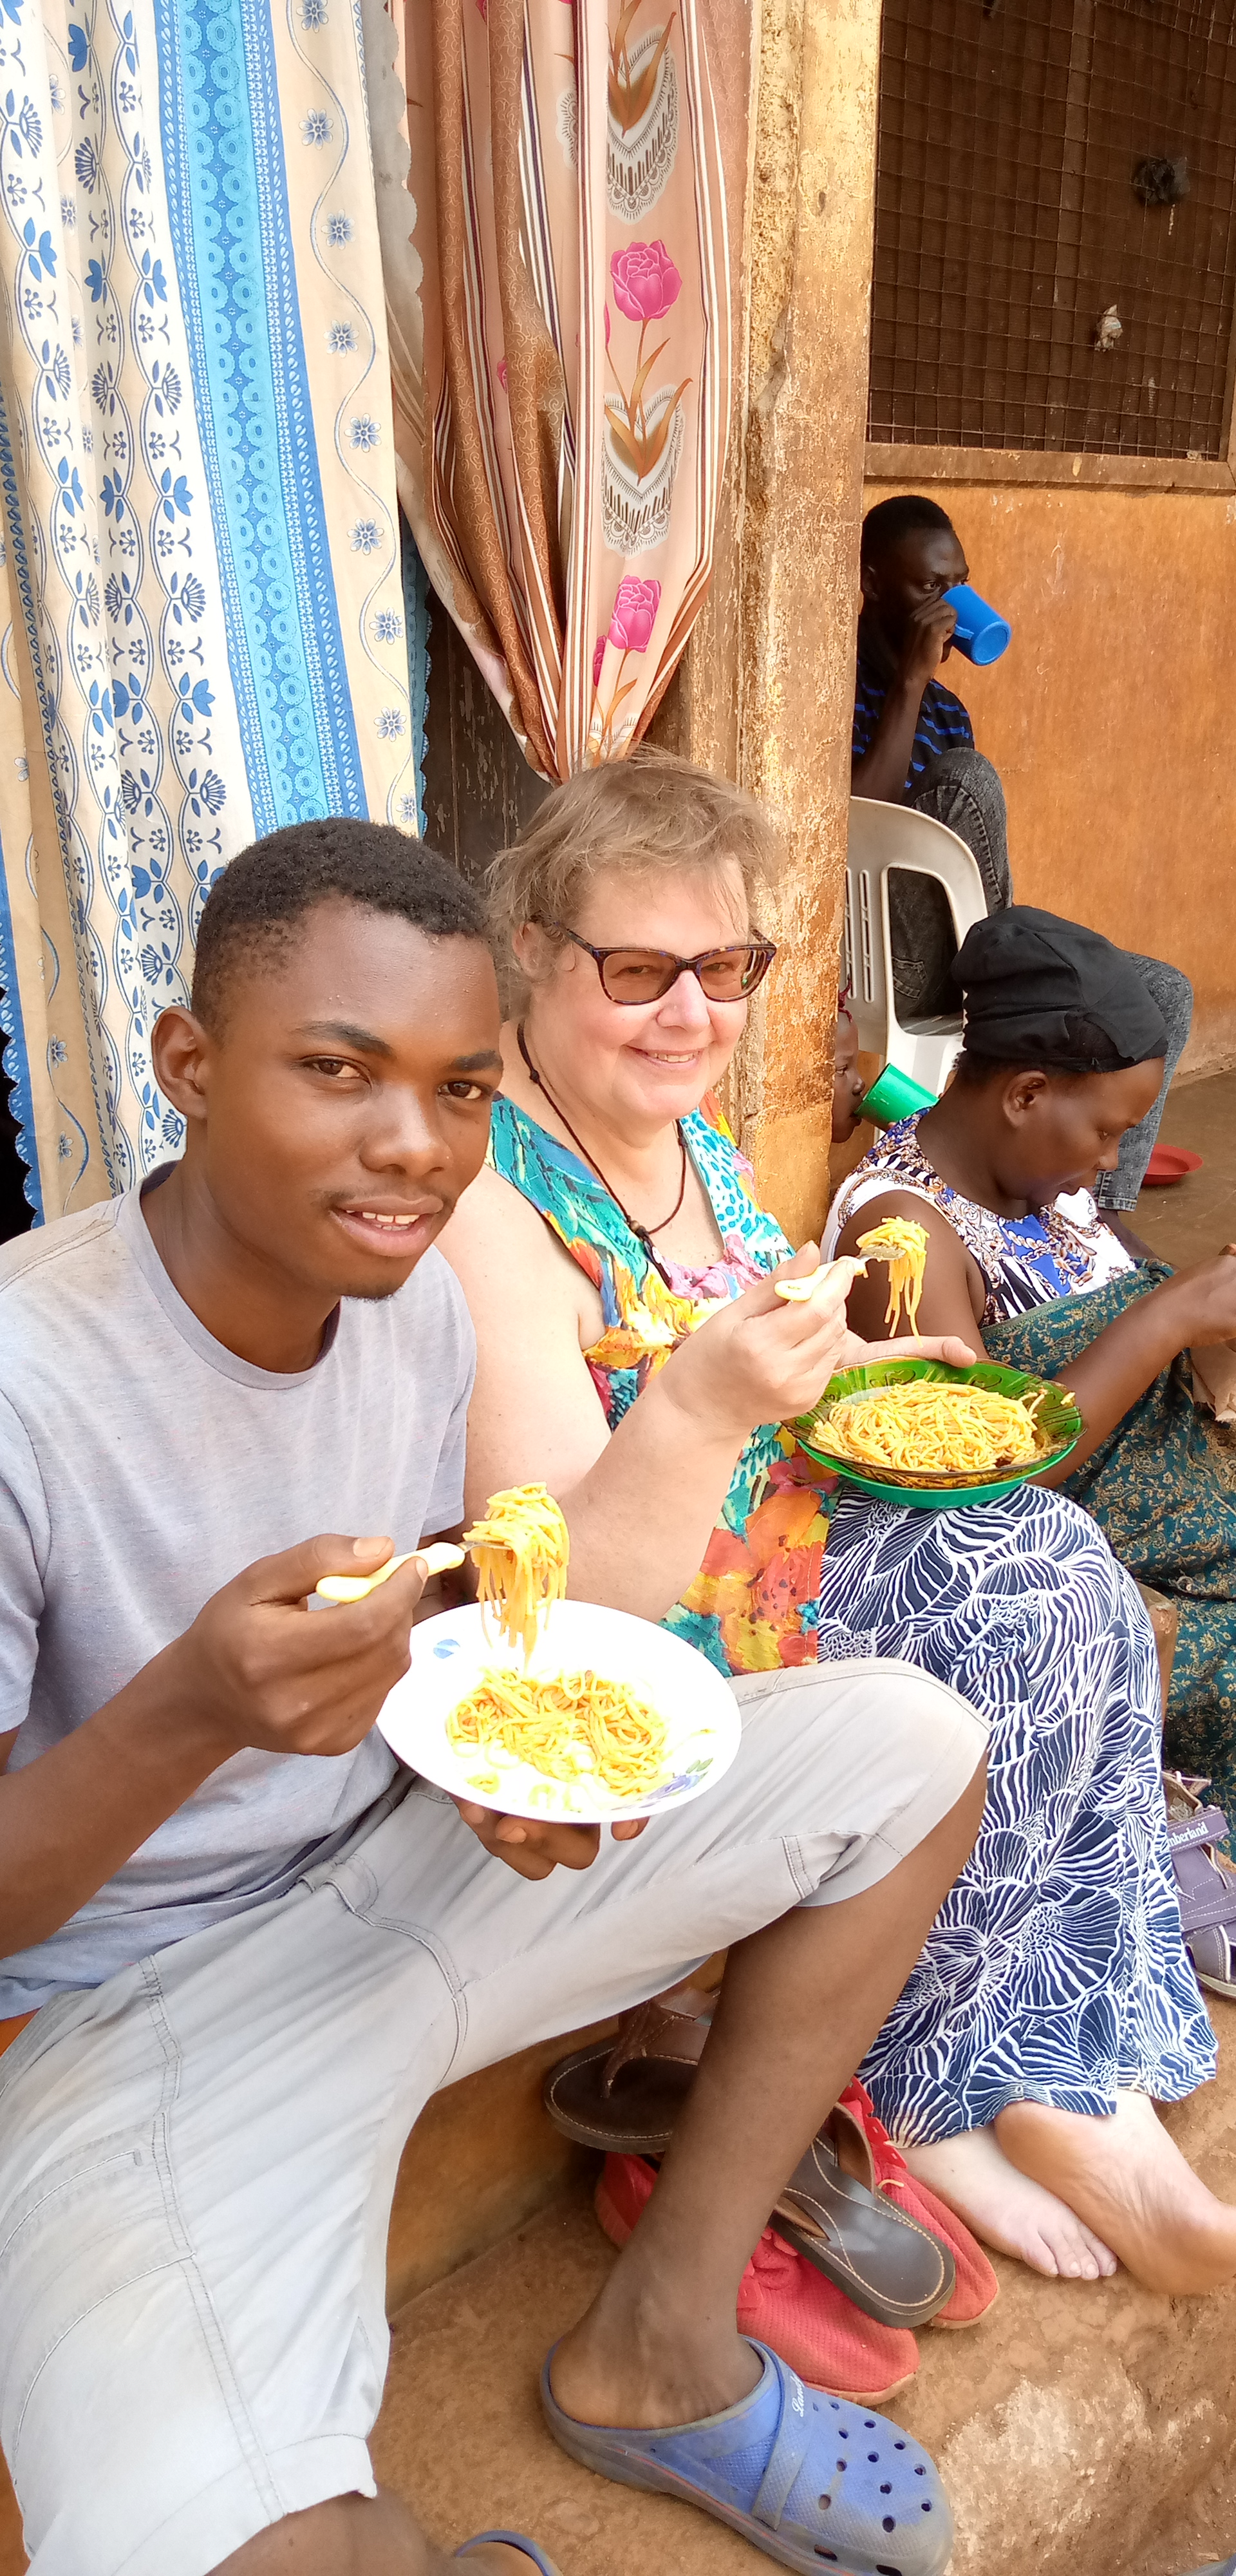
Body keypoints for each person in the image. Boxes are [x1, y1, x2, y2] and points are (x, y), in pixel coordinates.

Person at [0, 817, 991, 2576]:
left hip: (412, 1869)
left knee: (914, 1751)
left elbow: (449, 1605)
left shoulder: (415, 1305)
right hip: (140, 2003)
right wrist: (189, 1711)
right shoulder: (29, 1381)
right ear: (188, 1064)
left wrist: (496, 1758)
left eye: (460, 1091)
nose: (413, 1146)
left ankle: (661, 2342)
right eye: (338, 1070)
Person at [440, 750, 1231, 2297]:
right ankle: (941, 2080)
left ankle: (1068, 2073)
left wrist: (861, 1365)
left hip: (783, 1548)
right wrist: (707, 1400)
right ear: (531, 948)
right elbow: (565, 1610)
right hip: (672, 1642)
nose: (689, 1012)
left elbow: (751, 1353)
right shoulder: (490, 1207)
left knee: (1063, 1559)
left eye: (726, 967)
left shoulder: (691, 1137)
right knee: (1014, 1596)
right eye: (638, 968)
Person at [828, 900, 1236, 1906]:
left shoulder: (1044, 1192)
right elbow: (978, 1487)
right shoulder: (902, 1239)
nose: (1111, 1162)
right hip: (1069, 1576)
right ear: (1026, 1094)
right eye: (1107, 1132)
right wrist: (1166, 1319)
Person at [850, 493, 1192, 1213]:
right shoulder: (836, 684)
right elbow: (850, 826)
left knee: (1164, 992)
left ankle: (1097, 1226)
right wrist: (908, 682)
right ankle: (1013, 961)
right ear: (873, 583)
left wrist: (926, 688)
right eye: (931, 587)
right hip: (884, 958)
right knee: (967, 776)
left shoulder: (949, 709)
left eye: (961, 584)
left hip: (963, 953)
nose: (952, 606)